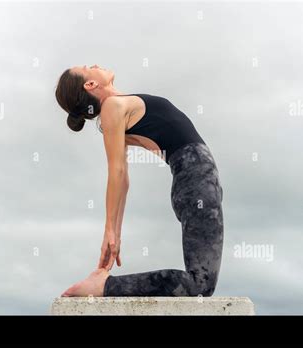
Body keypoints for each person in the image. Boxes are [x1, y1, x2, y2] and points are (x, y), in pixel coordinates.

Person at [55, 64, 224, 297]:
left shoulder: (120, 105)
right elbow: (118, 172)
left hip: (200, 183)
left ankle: (103, 285)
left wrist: (116, 233)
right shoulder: (112, 107)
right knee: (199, 285)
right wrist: (110, 231)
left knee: (201, 285)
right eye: (87, 67)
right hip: (195, 180)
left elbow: (122, 180)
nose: (93, 65)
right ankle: (104, 286)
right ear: (90, 84)